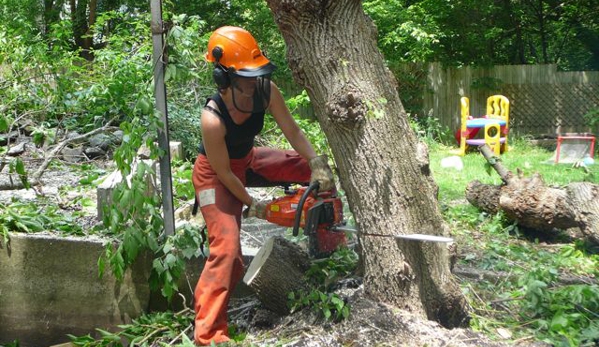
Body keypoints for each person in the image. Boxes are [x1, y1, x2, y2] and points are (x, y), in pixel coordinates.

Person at [191, 26, 335, 346]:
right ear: (223, 78)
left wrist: (316, 163)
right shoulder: (212, 118)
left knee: (307, 169)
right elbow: (226, 174)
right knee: (228, 252)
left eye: (256, 73)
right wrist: (254, 205)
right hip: (215, 175)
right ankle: (209, 334)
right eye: (245, 76)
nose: (253, 82)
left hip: (248, 159)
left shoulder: (266, 90)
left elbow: (294, 132)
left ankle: (330, 246)